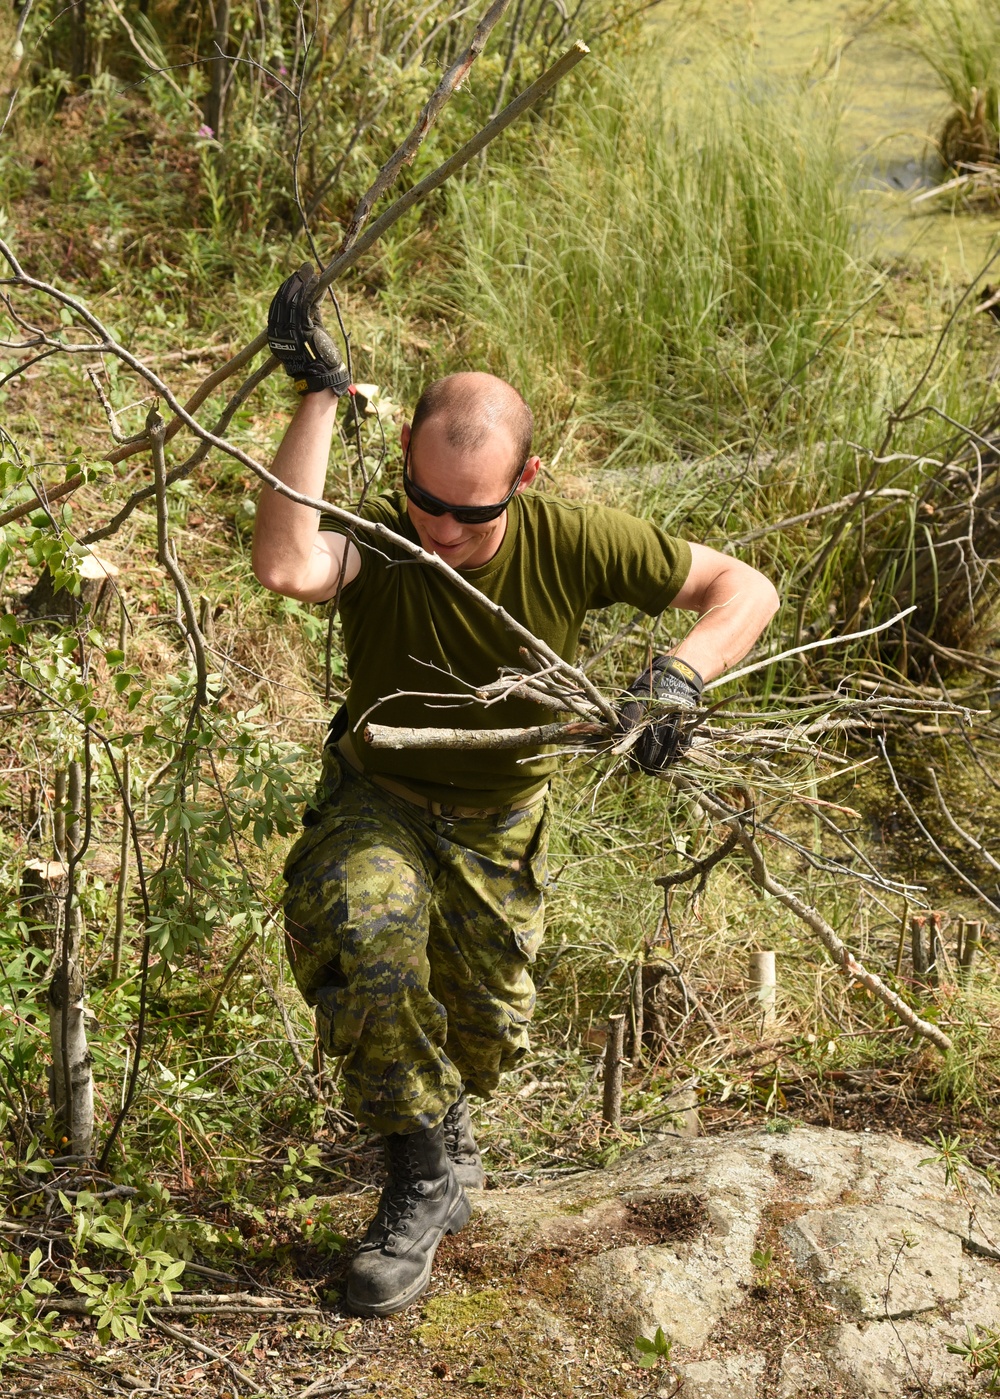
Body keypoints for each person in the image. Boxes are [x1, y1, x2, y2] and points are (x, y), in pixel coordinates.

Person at [253, 267, 780, 1318]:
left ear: (526, 477)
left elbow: (744, 587)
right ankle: (416, 1176)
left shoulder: (576, 538)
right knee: (365, 928)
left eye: (471, 511)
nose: (442, 531)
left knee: (484, 1036)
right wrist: (315, 394)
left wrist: (679, 677)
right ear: (403, 461)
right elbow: (285, 564)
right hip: (382, 796)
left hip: (498, 820)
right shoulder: (387, 535)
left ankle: (443, 1122)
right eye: (427, 500)